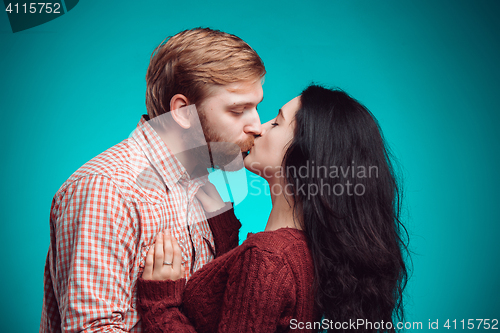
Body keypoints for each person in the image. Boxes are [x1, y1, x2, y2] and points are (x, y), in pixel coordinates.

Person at [40, 28, 265, 332]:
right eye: (238, 110)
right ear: (183, 112)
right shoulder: (107, 189)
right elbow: (92, 327)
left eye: (256, 107)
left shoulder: (205, 188)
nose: (257, 125)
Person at [136, 85, 409, 332]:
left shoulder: (268, 258)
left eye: (277, 123)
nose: (259, 128)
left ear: (306, 156)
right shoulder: (301, 252)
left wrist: (161, 308)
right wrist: (224, 226)